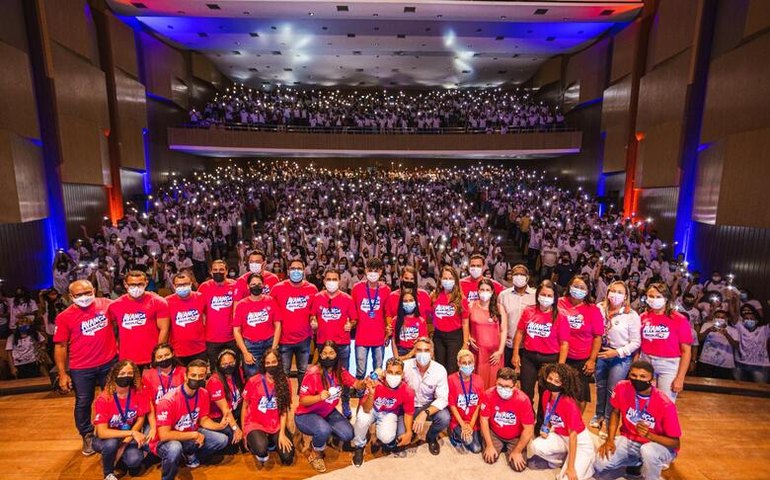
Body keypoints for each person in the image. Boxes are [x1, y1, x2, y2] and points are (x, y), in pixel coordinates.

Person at [54, 279, 118, 455]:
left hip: (109, 362)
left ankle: (113, 431)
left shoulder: (107, 305)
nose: (84, 297)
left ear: (94, 290)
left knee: (113, 399)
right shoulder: (64, 316)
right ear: (70, 296)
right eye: (79, 295)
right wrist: (62, 373)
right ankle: (87, 434)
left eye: (87, 293)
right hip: (81, 367)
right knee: (83, 402)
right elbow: (60, 346)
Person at [595, 361, 682, 480]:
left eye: (643, 376)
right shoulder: (622, 387)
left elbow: (675, 443)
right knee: (599, 463)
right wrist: (610, 439)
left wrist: (649, 435)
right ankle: (636, 462)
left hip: (658, 445)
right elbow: (615, 412)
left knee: (648, 451)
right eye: (634, 375)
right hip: (630, 439)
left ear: (652, 380)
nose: (637, 379)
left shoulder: (665, 404)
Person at [294, 341, 365, 473]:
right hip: (306, 414)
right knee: (323, 430)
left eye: (331, 353)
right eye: (325, 353)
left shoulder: (340, 371)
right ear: (320, 355)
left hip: (327, 412)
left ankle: (323, 434)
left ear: (337, 355)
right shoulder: (312, 373)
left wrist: (365, 382)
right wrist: (318, 397)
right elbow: (303, 401)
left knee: (348, 434)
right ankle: (316, 452)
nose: (328, 356)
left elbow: (356, 384)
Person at [153, 359, 229, 480]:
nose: (197, 379)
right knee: (174, 448)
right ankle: (167, 477)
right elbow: (164, 435)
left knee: (222, 439)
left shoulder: (203, 393)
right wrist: (194, 435)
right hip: (167, 440)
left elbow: (203, 419)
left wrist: (219, 426)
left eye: (201, 376)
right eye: (193, 375)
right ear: (185, 376)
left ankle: (188, 454)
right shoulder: (168, 401)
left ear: (205, 377)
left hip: (189, 433)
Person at [511, 279, 569, 425]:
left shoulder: (560, 316)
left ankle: (542, 423)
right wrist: (516, 353)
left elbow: (564, 344)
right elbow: (519, 333)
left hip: (550, 360)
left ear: (555, 297)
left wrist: (559, 367)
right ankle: (527, 421)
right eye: (543, 294)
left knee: (546, 394)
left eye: (549, 295)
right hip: (529, 357)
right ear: (537, 295)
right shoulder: (529, 310)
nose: (545, 298)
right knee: (526, 392)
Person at [529, 363, 595, 480]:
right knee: (535, 446)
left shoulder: (568, 403)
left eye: (557, 381)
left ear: (564, 384)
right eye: (550, 379)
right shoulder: (546, 394)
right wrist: (547, 428)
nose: (552, 383)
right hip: (560, 436)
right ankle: (561, 459)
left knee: (565, 478)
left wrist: (570, 467)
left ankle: (587, 466)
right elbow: (549, 416)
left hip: (579, 442)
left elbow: (573, 436)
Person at [591, 280, 641, 433]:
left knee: (613, 390)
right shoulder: (599, 308)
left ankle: (607, 421)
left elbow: (636, 342)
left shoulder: (631, 315)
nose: (615, 295)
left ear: (626, 296)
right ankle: (598, 415)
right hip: (601, 353)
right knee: (600, 387)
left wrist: (617, 352)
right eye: (613, 291)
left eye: (620, 292)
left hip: (619, 355)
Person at [309, 268, 357, 417]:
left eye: (334, 279)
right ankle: (324, 404)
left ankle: (345, 404)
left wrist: (351, 325)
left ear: (339, 281)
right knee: (323, 376)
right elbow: (312, 316)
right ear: (324, 281)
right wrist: (313, 321)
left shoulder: (347, 299)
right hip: (323, 344)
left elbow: (354, 319)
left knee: (343, 376)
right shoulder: (317, 298)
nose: (331, 282)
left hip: (342, 344)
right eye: (328, 279)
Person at [92, 360, 151, 480]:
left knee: (134, 461)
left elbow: (140, 420)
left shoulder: (138, 393)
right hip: (106, 438)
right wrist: (132, 433)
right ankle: (108, 473)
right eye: (122, 373)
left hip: (128, 437)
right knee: (111, 443)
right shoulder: (104, 398)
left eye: (130, 373)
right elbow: (102, 432)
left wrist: (124, 444)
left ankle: (117, 458)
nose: (126, 376)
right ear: (114, 375)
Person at [352, 357, 415, 466]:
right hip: (372, 408)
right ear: (385, 373)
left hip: (389, 413)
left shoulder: (407, 391)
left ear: (403, 374)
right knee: (362, 419)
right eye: (390, 372)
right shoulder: (375, 383)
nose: (393, 376)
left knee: (386, 437)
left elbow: (409, 412)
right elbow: (366, 409)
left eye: (397, 373)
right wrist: (371, 393)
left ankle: (383, 438)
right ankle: (359, 446)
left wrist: (409, 432)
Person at [639, 283, 693, 403]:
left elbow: (686, 351)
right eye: (651, 296)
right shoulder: (642, 317)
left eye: (658, 297)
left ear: (666, 298)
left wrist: (680, 378)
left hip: (668, 366)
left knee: (665, 404)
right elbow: (638, 345)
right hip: (646, 363)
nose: (654, 299)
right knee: (644, 402)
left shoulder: (679, 319)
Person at [242, 348, 295, 466]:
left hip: (276, 425)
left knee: (288, 457)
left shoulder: (285, 381)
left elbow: (284, 409)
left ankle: (271, 440)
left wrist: (282, 433)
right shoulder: (253, 381)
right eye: (268, 363)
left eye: (274, 362)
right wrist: (244, 433)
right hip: (256, 423)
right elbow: (244, 406)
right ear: (264, 364)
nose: (271, 365)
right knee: (261, 451)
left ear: (279, 362)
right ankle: (261, 442)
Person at [271, 258, 318, 390]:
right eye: (293, 269)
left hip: (304, 339)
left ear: (304, 271)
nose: (296, 271)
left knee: (303, 372)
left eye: (299, 269)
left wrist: (314, 321)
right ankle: (284, 402)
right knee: (284, 372)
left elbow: (314, 313)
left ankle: (303, 400)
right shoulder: (277, 289)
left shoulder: (312, 289)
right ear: (288, 271)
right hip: (284, 340)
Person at [107, 270, 170, 367]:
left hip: (151, 356)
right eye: (132, 284)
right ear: (125, 284)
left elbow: (164, 329)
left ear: (146, 283)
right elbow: (113, 331)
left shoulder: (158, 302)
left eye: (140, 284)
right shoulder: (114, 305)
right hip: (126, 357)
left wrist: (158, 354)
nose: (136, 288)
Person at [558, 276, 603, 411]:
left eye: (582, 288)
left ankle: (576, 425)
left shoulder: (593, 309)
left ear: (588, 291)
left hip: (581, 359)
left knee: (580, 395)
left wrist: (592, 360)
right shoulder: (559, 303)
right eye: (575, 286)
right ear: (569, 286)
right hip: (559, 355)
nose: (578, 290)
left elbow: (597, 337)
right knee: (558, 391)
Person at [402, 336, 451, 455]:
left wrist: (425, 413)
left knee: (444, 417)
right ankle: (410, 431)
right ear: (414, 351)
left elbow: (443, 399)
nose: (422, 354)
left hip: (426, 406)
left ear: (432, 352)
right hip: (406, 407)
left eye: (426, 350)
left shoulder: (440, 370)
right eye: (419, 350)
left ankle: (431, 437)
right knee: (397, 435)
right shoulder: (405, 366)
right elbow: (389, 369)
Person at [479, 367, 534, 471]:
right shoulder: (488, 394)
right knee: (489, 458)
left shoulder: (523, 400)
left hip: (515, 437)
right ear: (496, 382)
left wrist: (517, 451)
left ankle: (508, 447)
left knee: (518, 467)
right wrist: (489, 445)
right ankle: (500, 446)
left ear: (515, 386)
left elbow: (529, 429)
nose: (503, 389)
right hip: (495, 433)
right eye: (500, 385)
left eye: (507, 386)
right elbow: (483, 420)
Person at [233, 273, 280, 379]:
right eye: (253, 284)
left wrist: (273, 348)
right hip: (251, 346)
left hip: (269, 343)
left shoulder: (271, 301)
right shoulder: (241, 304)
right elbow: (236, 330)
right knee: (253, 378)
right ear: (248, 286)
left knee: (272, 376)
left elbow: (278, 325)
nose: (256, 286)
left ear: (263, 285)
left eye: (259, 284)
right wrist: (245, 352)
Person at [351, 258, 391, 381]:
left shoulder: (386, 290)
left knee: (377, 370)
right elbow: (352, 311)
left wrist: (388, 333)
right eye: (370, 270)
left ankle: (375, 396)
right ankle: (360, 396)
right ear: (366, 270)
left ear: (381, 272)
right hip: (361, 336)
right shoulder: (357, 288)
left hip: (379, 337)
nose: (373, 273)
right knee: (360, 370)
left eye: (376, 270)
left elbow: (387, 313)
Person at [467, 278, 508, 388]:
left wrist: (500, 351)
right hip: (477, 352)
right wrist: (468, 337)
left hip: (494, 354)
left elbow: (504, 330)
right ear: (478, 291)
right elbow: (465, 325)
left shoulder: (499, 308)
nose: (484, 292)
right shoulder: (471, 306)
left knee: (493, 382)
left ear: (492, 291)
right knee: (477, 382)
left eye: (487, 289)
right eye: (482, 289)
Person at [198, 260, 238, 366]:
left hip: (232, 337)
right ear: (210, 272)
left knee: (235, 369)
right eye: (215, 270)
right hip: (212, 338)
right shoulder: (204, 287)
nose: (218, 272)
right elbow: (200, 312)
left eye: (221, 270)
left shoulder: (235, 285)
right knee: (215, 370)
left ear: (226, 271)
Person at [430, 265, 469, 374]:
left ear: (455, 280)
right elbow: (429, 314)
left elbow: (465, 322)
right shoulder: (434, 295)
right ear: (440, 280)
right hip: (438, 337)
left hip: (455, 337)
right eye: (445, 278)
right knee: (440, 368)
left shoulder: (461, 298)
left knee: (452, 369)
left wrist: (466, 343)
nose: (448, 281)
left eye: (450, 278)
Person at [498, 264, 536, 369]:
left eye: (522, 274)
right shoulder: (503, 295)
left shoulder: (536, 295)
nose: (519, 276)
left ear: (527, 277)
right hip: (507, 344)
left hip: (528, 347)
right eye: (516, 274)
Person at [166, 273, 208, 365]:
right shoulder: (166, 302)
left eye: (185, 284)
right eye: (179, 285)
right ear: (174, 286)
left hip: (200, 348)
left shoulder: (201, 297)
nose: (183, 287)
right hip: (177, 350)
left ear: (191, 284)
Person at [448, 349, 484, 453]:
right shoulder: (451, 379)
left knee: (478, 448)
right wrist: (463, 425)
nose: (467, 365)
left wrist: (471, 425)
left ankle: (464, 433)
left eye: (470, 362)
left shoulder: (479, 379)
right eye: (464, 363)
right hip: (458, 421)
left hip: (472, 421)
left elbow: (478, 405)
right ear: (458, 363)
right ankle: (452, 432)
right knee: (469, 442)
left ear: (473, 364)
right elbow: (452, 405)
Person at [206, 349, 245, 445]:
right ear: (219, 365)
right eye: (224, 364)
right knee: (233, 439)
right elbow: (225, 409)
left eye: (231, 363)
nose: (228, 366)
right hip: (219, 417)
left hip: (235, 410)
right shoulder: (215, 381)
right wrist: (236, 428)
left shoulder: (238, 372)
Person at [696, 309, 738, 379]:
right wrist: (708, 330)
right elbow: (699, 339)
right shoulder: (707, 325)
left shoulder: (733, 330)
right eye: (717, 317)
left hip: (725, 364)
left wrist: (727, 335)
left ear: (726, 319)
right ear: (714, 318)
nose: (720, 319)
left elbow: (736, 346)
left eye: (722, 317)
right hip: (706, 361)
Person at [733, 304, 770, 383]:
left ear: (756, 321)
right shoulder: (741, 328)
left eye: (751, 319)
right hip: (741, 364)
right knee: (739, 390)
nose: (749, 320)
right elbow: (733, 315)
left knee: (760, 391)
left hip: (760, 366)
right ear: (742, 321)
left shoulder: (764, 330)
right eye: (746, 318)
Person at [392, 289, 428, 359]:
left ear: (415, 302)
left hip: (416, 351)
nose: (408, 303)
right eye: (405, 301)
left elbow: (422, 342)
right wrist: (397, 358)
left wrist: (408, 356)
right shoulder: (395, 320)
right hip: (400, 352)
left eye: (411, 300)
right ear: (401, 303)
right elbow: (393, 341)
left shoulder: (421, 321)